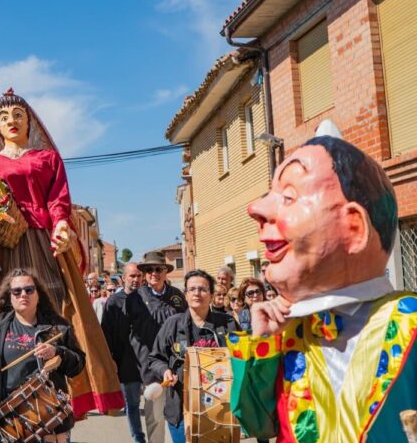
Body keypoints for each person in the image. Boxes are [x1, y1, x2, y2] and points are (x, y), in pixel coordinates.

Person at [228, 134, 417, 441]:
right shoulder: (290, 332)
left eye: (289, 197)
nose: (256, 209)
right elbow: (257, 424)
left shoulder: (410, 322)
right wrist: (261, 342)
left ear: (353, 227)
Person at [0, 88, 123, 415]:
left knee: (55, 302)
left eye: (18, 115)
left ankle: (62, 375)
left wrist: (62, 224)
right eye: (4, 117)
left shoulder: (46, 159)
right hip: (8, 245)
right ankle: (13, 376)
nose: (12, 121)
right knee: (10, 302)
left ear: (29, 122)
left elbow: (57, 199)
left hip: (42, 238)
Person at [0, 269, 85, 443]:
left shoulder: (58, 327)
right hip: (10, 417)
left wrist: (57, 352)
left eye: (29, 290)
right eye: (17, 291)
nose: (23, 294)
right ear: (10, 296)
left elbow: (78, 363)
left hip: (50, 416)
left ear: (38, 294)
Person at [147, 270, 238, 443]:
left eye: (203, 289)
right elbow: (155, 358)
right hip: (181, 409)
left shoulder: (227, 323)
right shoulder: (173, 324)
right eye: (192, 289)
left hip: (221, 408)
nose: (197, 293)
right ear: (186, 294)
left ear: (211, 294)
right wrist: (165, 370)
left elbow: (242, 360)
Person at [131, 250, 187, 443]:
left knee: (178, 418)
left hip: (176, 368)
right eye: (149, 270)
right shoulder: (135, 298)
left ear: (165, 271)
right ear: (145, 273)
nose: (154, 273)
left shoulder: (177, 297)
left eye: (158, 269)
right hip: (149, 367)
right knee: (155, 421)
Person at [101, 263, 147, 443]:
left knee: (153, 405)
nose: (135, 280)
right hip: (126, 362)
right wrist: (110, 360)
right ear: (123, 278)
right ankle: (138, 439)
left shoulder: (146, 298)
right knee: (133, 405)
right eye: (132, 276)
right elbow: (106, 333)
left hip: (148, 361)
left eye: (138, 276)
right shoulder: (113, 302)